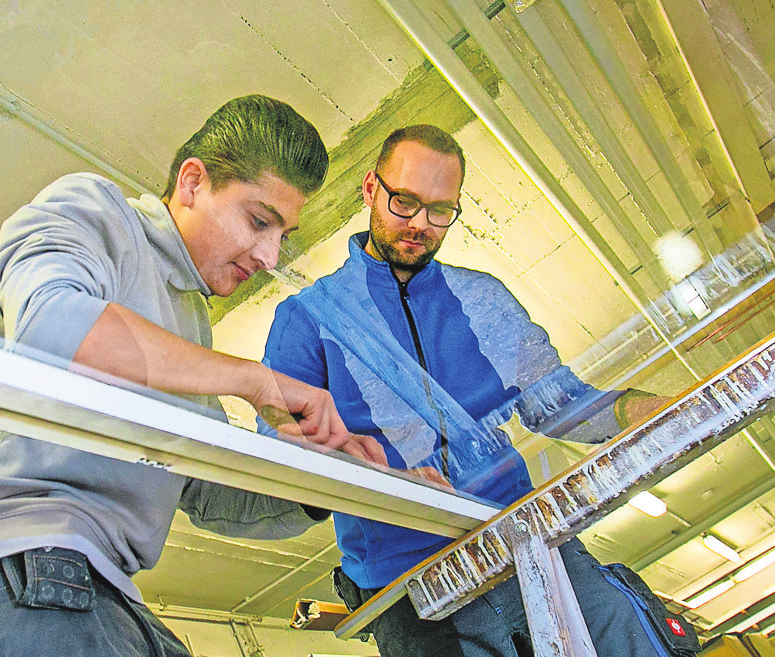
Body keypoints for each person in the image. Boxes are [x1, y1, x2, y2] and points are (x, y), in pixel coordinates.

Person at [0, 94, 385, 657]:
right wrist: (252, 379)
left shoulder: (191, 327)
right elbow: (54, 329)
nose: (270, 255)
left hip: (106, 589)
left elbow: (205, 488)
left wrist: (329, 479)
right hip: (6, 561)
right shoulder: (95, 211)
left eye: (282, 235)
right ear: (192, 183)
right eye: (258, 221)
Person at [261, 125, 673, 656]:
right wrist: (377, 474)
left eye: (440, 211)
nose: (418, 225)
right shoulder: (306, 318)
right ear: (369, 188)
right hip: (406, 579)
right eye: (403, 202)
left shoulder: (483, 298)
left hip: (526, 537)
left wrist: (645, 410)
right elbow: (282, 444)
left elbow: (562, 406)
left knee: (626, 635)